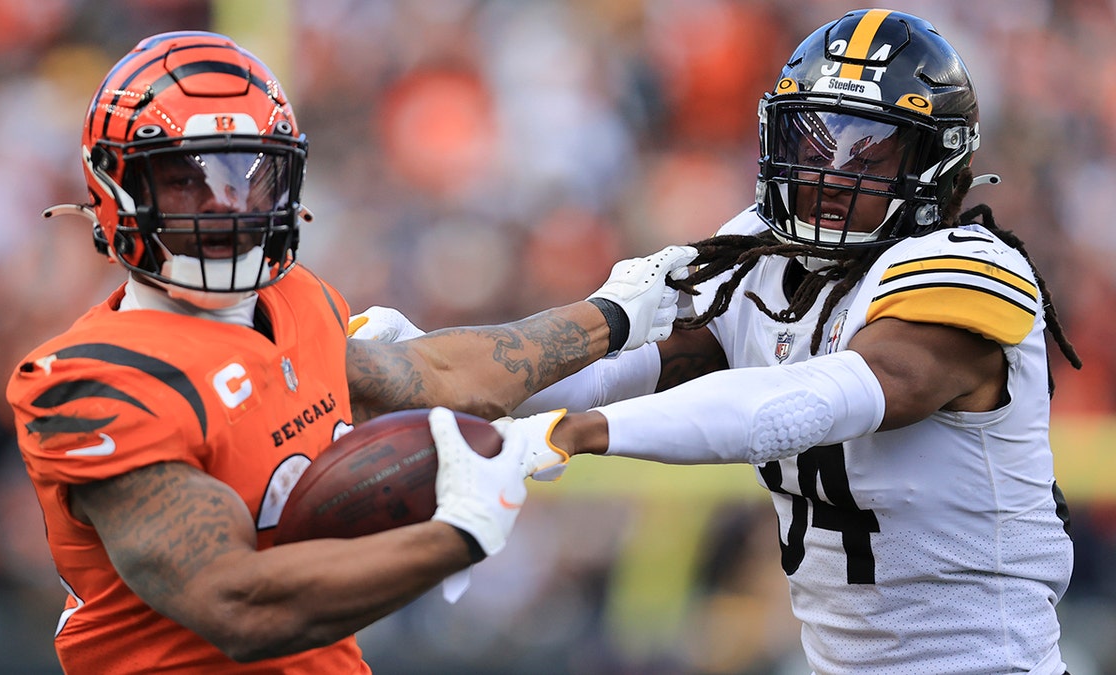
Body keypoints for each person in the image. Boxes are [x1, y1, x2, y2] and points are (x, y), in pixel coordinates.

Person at [356, 9, 1083, 674]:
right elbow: (613, 373)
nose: (828, 173)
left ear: (935, 164)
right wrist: (425, 363)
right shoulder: (760, 257)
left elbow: (821, 397)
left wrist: (569, 436)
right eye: (814, 137)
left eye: (868, 152)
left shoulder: (974, 265)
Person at [7, 31, 695, 674]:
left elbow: (434, 373)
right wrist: (461, 528)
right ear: (114, 186)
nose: (223, 204)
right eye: (185, 178)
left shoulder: (295, 303)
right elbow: (240, 604)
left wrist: (615, 312)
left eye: (245, 173)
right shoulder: (91, 382)